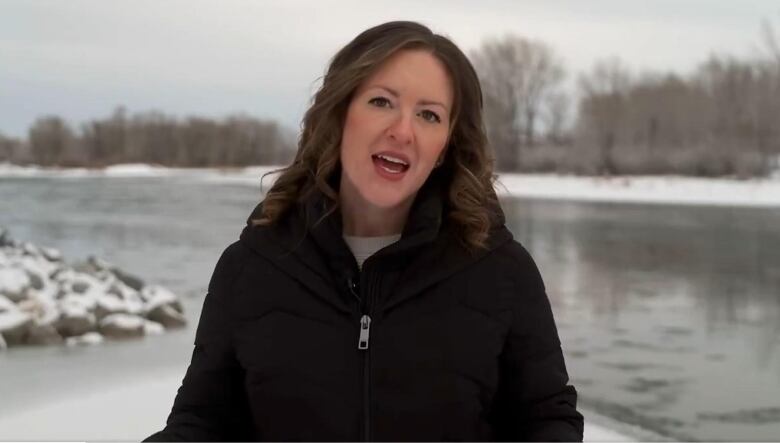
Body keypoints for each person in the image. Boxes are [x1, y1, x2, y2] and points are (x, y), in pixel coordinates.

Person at [145, 20, 583, 442]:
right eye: (381, 102)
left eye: (429, 115)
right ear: (340, 113)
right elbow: (202, 422)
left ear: (446, 143)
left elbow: (547, 418)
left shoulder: (502, 271)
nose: (402, 131)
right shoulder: (251, 267)